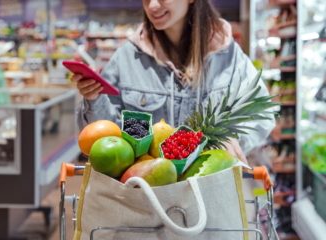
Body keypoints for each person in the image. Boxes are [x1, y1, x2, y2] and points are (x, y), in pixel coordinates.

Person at [72, 0, 275, 164]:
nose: (152, 5)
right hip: (146, 197)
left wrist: (232, 137)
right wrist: (93, 98)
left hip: (209, 195)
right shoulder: (127, 57)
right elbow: (105, 136)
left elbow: (262, 113)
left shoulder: (228, 55)